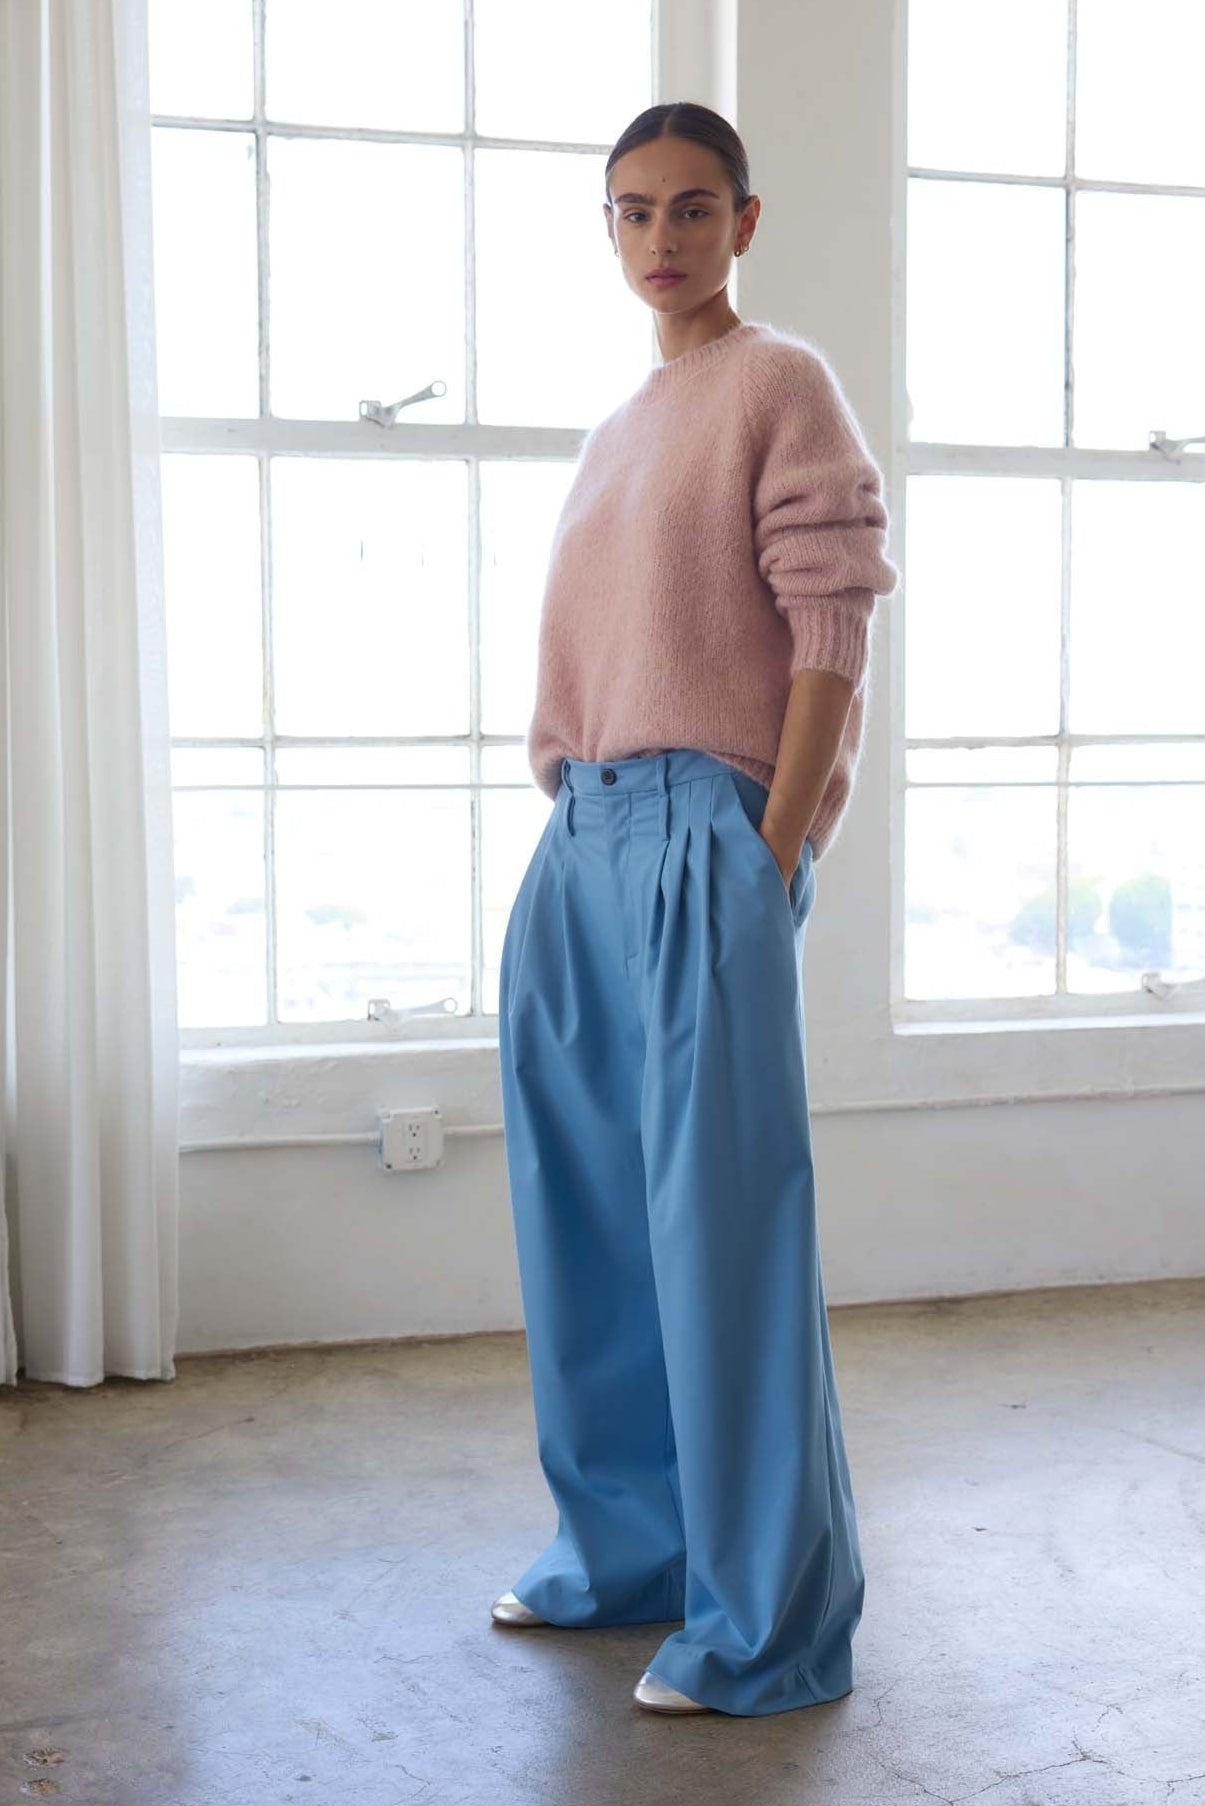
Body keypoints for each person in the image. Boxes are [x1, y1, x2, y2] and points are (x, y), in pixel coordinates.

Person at [492, 100, 900, 1719]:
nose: (659, 237)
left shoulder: (777, 383)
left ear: (743, 220)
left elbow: (829, 629)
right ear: (607, 229)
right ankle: (627, 1551)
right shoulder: (618, 428)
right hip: (580, 834)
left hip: (702, 828)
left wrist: (773, 843)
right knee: (584, 1219)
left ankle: (765, 1623)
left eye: (689, 207)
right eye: (631, 210)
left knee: (720, 1233)